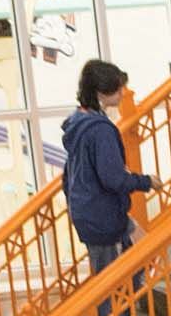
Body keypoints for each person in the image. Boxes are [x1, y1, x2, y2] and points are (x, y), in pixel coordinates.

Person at [60, 60, 154, 291]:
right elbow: (112, 178)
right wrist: (147, 182)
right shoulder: (100, 130)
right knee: (110, 287)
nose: (123, 93)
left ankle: (127, 309)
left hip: (90, 211)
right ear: (101, 93)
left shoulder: (79, 122)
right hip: (102, 215)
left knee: (138, 249)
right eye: (118, 88)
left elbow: (68, 175)